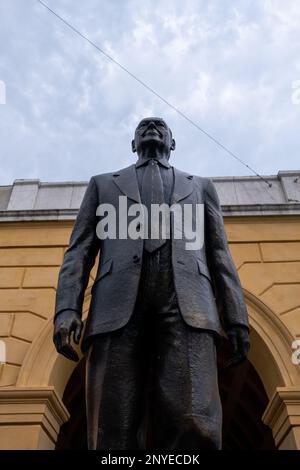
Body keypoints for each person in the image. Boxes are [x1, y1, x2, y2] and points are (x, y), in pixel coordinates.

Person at [53, 117, 250, 450]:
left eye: (161, 126)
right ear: (133, 144)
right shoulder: (102, 184)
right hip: (117, 310)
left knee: (194, 420)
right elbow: (80, 250)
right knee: (111, 423)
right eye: (143, 126)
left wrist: (236, 318)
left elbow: (220, 255)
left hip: (187, 305)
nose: (151, 127)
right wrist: (67, 308)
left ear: (172, 143)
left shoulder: (200, 186)